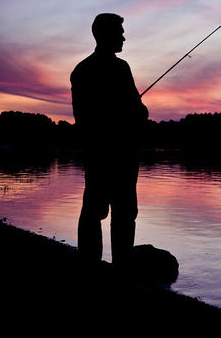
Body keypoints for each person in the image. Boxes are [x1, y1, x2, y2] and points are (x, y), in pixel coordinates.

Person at [70, 13, 149, 266]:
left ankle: (90, 266)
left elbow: (81, 119)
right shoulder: (120, 68)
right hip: (121, 154)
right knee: (123, 214)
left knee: (94, 212)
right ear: (105, 34)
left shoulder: (80, 71)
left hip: (97, 154)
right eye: (120, 31)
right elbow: (139, 112)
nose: (124, 36)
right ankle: (120, 268)